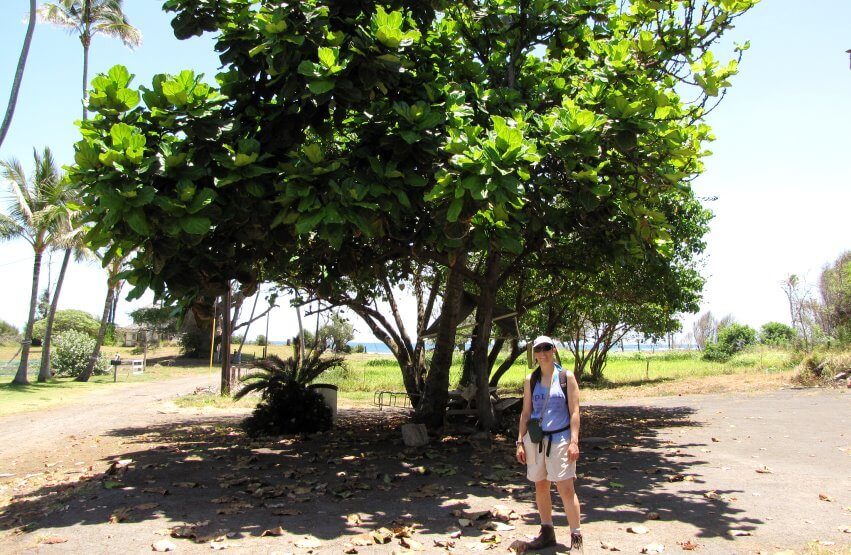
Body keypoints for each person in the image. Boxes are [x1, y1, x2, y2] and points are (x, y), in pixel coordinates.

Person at [516, 335, 583, 552]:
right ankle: (547, 532)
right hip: (537, 440)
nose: (542, 353)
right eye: (538, 349)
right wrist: (519, 441)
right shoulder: (531, 380)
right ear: (534, 353)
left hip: (561, 438)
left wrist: (574, 441)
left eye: (546, 348)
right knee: (541, 485)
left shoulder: (566, 376)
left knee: (565, 487)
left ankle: (576, 537)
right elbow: (526, 413)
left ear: (554, 350)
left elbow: (575, 411)